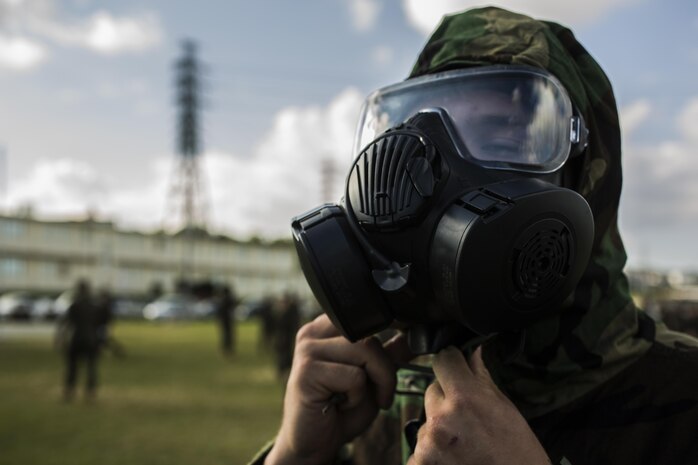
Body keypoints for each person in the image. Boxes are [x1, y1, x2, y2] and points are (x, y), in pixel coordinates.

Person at [251, 7, 698, 465]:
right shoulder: (387, 392)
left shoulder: (683, 403)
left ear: (585, 178)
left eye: (500, 139)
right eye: (413, 137)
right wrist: (296, 455)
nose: (436, 181)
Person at [57, 279, 102, 401]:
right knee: (91, 367)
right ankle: (90, 394)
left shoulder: (75, 305)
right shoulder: (94, 307)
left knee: (73, 368)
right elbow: (100, 326)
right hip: (91, 340)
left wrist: (60, 339)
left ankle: (69, 393)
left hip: (77, 339)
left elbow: (65, 324)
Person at [216, 284, 238, 356]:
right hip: (227, 320)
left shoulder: (222, 300)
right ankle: (228, 349)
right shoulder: (228, 299)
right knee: (228, 335)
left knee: (226, 335)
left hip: (224, 320)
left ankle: (227, 349)